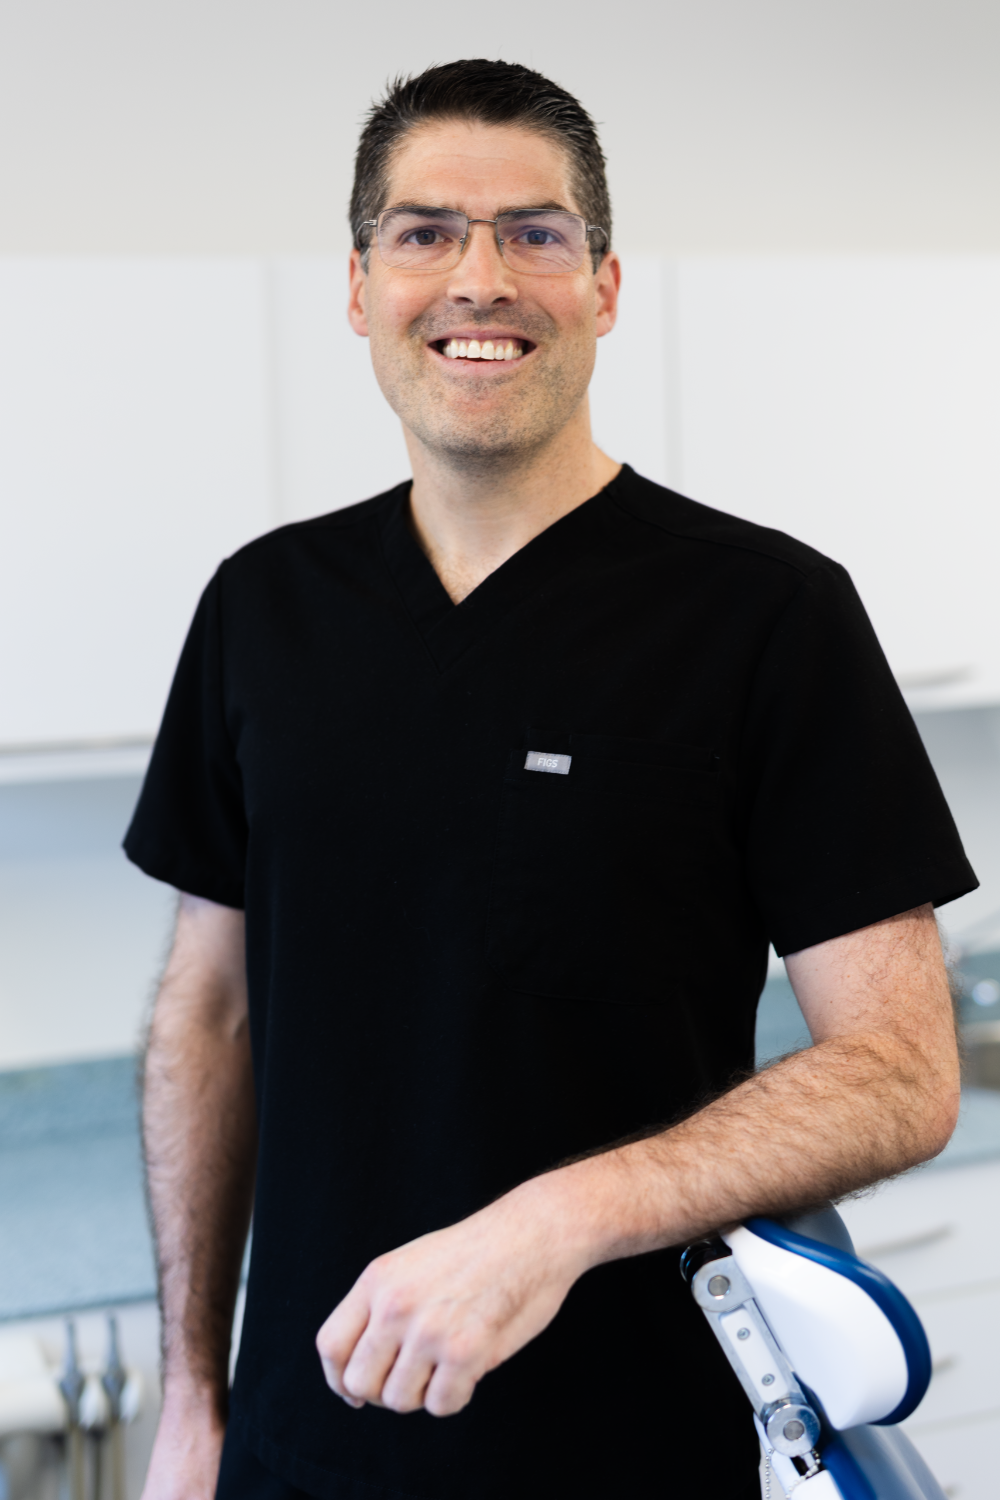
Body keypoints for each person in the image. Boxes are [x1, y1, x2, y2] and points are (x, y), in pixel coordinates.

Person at [127, 59, 975, 1500]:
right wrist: (193, 1402)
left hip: (627, 1453)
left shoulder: (767, 617)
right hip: (292, 1451)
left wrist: (561, 1216)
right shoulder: (260, 610)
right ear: (359, 289)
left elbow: (902, 1072)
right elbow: (208, 1014)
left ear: (604, 286)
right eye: (424, 232)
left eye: (535, 232)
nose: (481, 279)